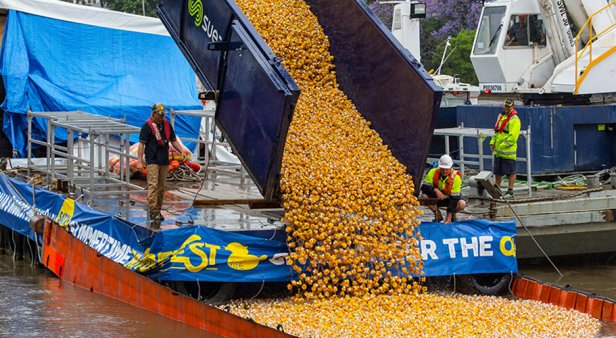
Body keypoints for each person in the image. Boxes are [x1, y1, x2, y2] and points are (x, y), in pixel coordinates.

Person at [136, 103, 185, 223]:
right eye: (159, 114)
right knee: (153, 185)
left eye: (163, 114)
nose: (161, 116)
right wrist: (139, 160)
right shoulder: (147, 126)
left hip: (164, 159)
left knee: (161, 187)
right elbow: (141, 144)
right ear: (153, 113)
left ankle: (158, 210)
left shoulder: (167, 125)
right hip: (152, 159)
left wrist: (181, 151)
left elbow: (173, 140)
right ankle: (152, 210)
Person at [420, 154, 467, 224]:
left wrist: (448, 215)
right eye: (442, 169)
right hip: (437, 198)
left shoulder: (456, 177)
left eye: (446, 169)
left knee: (461, 204)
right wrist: (435, 190)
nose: (444, 171)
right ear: (439, 167)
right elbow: (424, 187)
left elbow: (455, 197)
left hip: (451, 199)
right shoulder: (432, 172)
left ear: (450, 167)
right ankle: (437, 214)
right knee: (424, 196)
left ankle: (452, 214)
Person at [490, 98, 521, 199]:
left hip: (508, 151)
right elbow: (496, 132)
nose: (506, 108)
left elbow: (513, 137)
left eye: (508, 106)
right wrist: (492, 143)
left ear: (512, 106)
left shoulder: (514, 119)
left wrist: (503, 145)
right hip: (498, 151)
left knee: (510, 172)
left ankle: (510, 191)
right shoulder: (501, 116)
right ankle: (497, 191)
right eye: (505, 106)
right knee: (497, 172)